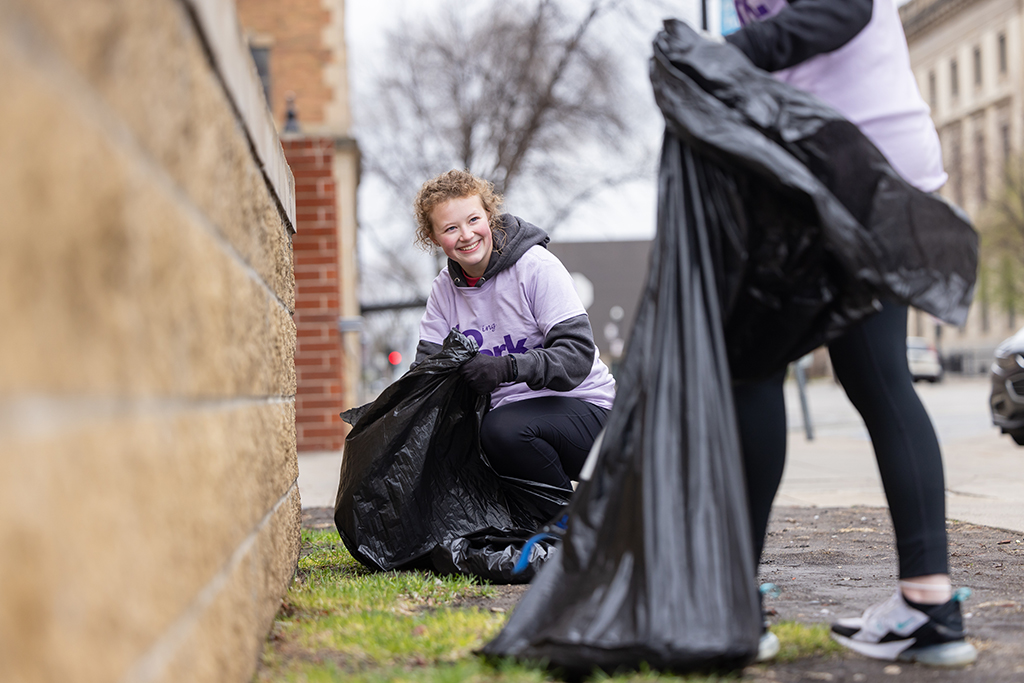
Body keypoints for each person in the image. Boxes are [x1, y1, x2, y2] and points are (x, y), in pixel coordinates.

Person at [721, 0, 978, 667]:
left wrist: (733, 53)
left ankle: (733, 607)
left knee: (750, 363)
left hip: (853, 177)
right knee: (877, 376)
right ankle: (929, 607)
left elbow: (843, 7)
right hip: (851, 172)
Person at [412, 169, 615, 501]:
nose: (466, 235)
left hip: (590, 415)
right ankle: (540, 531)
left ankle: (569, 530)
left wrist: (505, 368)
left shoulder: (536, 268)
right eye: (450, 228)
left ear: (489, 217)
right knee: (458, 438)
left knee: (502, 430)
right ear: (434, 238)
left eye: (473, 219)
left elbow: (576, 356)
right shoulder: (444, 292)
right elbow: (426, 373)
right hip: (512, 421)